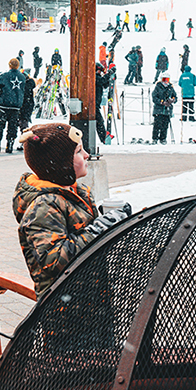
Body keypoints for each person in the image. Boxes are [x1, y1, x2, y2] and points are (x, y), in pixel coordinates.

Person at [14, 123, 128, 295]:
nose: (87, 155)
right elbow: (54, 259)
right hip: (63, 303)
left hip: (89, 293)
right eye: (79, 152)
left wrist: (110, 221)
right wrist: (97, 230)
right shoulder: (44, 205)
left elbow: (85, 235)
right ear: (61, 163)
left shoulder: (77, 191)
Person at [0, 58, 32, 154]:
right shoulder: (22, 77)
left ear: (9, 65)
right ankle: (10, 144)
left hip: (3, 105)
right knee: (13, 126)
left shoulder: (4, 75)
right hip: (16, 107)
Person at [152, 76, 177, 143]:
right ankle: (155, 138)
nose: (166, 81)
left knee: (165, 125)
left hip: (167, 110)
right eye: (164, 79)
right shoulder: (158, 87)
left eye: (167, 80)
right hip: (158, 110)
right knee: (157, 125)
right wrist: (161, 102)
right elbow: (154, 97)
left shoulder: (170, 88)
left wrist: (172, 100)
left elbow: (175, 96)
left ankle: (163, 138)